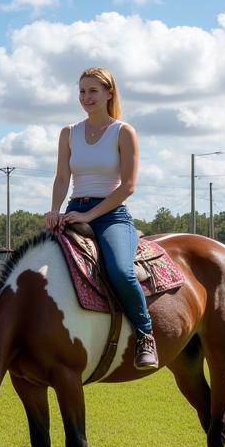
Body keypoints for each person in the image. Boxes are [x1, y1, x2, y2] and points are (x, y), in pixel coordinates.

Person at [44, 66, 158, 370]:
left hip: (111, 216)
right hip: (73, 212)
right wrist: (56, 211)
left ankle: (146, 334)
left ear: (109, 93)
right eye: (82, 91)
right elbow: (61, 177)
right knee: (36, 266)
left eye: (93, 91)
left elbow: (128, 186)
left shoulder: (123, 132)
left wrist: (90, 214)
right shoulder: (69, 132)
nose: (86, 97)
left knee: (121, 271)